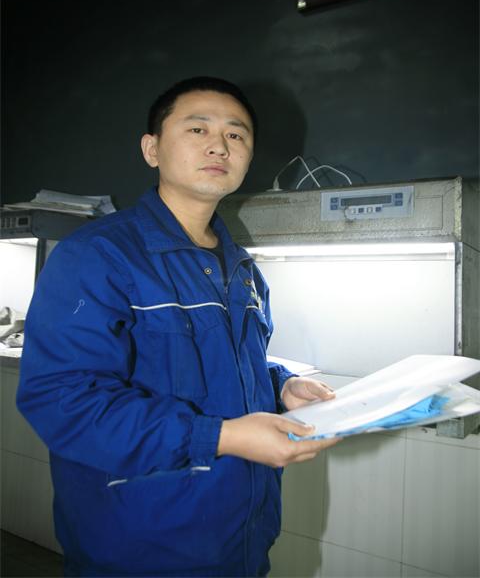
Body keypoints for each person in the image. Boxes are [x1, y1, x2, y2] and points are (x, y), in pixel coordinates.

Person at [17, 77, 340, 578]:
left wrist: (281, 386)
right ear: (152, 149)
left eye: (236, 134)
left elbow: (225, 364)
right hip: (139, 546)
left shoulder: (243, 270)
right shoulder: (98, 256)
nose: (219, 145)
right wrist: (221, 436)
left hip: (241, 541)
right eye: (197, 128)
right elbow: (64, 401)